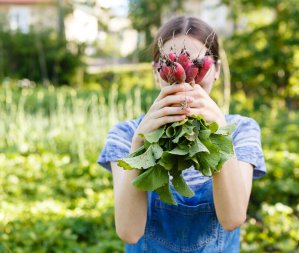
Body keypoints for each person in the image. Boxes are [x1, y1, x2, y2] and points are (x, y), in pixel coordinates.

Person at [97, 16, 267, 253]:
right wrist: (140, 144)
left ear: (215, 70)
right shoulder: (125, 135)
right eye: (170, 63)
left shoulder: (240, 131)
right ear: (156, 72)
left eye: (198, 64)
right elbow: (129, 232)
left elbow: (233, 219)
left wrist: (218, 133)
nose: (185, 75)